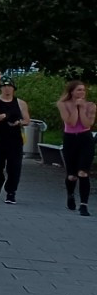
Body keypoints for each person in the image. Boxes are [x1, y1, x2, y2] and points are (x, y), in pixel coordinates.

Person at [0, 76, 31, 204]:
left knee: (14, 168)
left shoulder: (20, 103)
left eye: (9, 86)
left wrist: (18, 122)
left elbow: (27, 120)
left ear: (13, 88)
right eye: (4, 86)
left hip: (15, 140)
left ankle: (11, 192)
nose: (7, 89)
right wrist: (6, 116)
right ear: (0, 88)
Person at [57, 80, 94, 216]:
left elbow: (86, 124)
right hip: (70, 139)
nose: (81, 93)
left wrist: (82, 108)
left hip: (85, 139)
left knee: (83, 173)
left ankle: (84, 205)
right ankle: (70, 194)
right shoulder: (63, 104)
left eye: (83, 90)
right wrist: (75, 108)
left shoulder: (90, 106)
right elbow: (71, 122)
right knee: (72, 176)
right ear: (71, 91)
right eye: (78, 90)